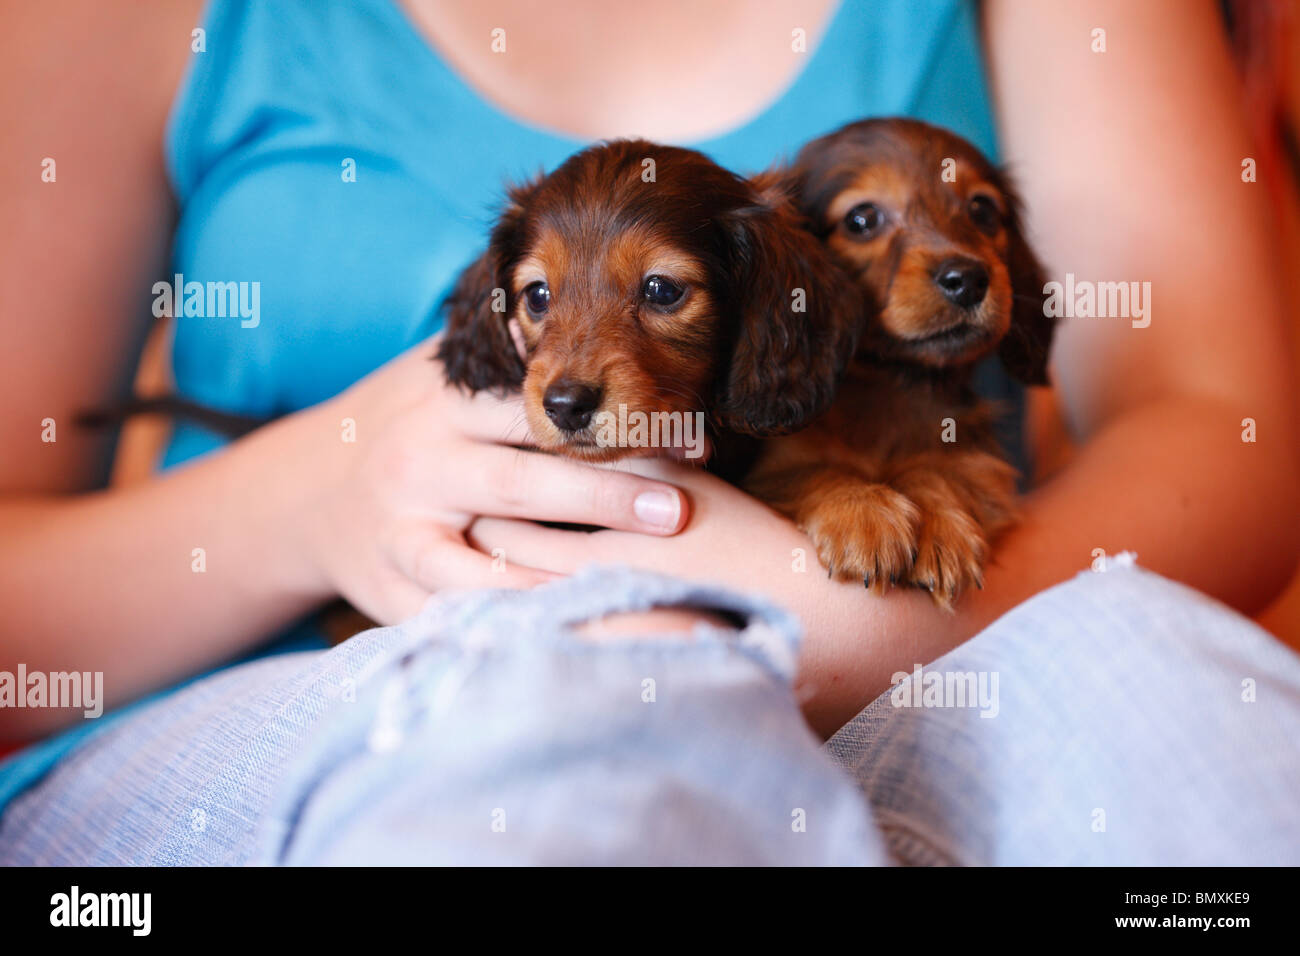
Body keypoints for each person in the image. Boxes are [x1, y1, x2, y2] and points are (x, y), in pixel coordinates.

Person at [1, 0, 1297, 863]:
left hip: (961, 632)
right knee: (615, 708)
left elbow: (1218, 421)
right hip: (289, 702)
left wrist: (900, 631)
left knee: (1168, 694)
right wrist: (307, 505)